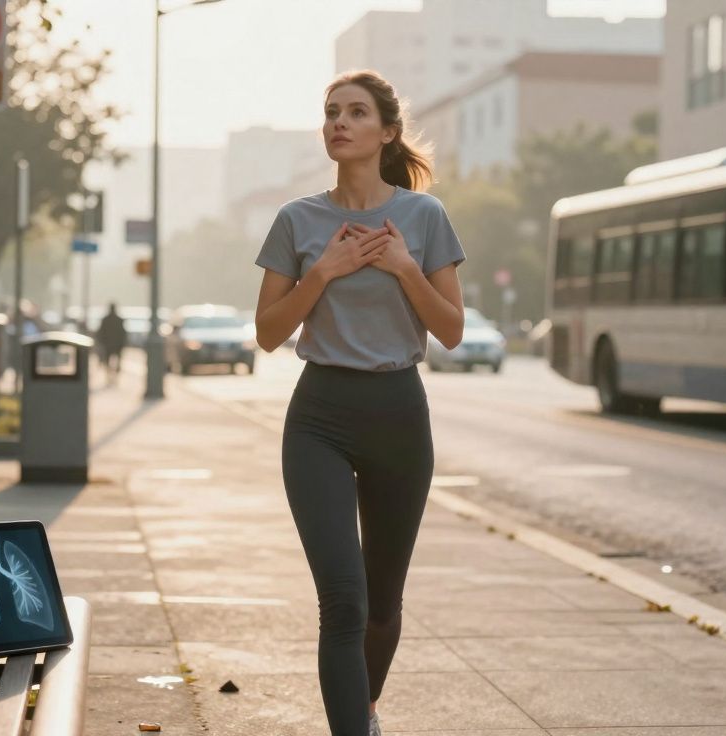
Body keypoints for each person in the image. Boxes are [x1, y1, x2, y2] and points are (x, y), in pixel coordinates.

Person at [252, 70, 466, 736]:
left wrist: (404, 266)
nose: (339, 123)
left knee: (381, 605)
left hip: (398, 414)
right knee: (343, 602)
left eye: (355, 112)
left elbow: (452, 329)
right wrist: (323, 272)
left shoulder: (424, 217)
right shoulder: (298, 220)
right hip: (319, 416)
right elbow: (267, 333)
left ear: (388, 131)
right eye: (331, 112)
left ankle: (364, 710)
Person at [94, 302, 127, 383]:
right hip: (117, 344)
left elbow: (100, 332)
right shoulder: (119, 320)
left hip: (108, 344)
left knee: (108, 359)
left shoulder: (105, 319)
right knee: (117, 360)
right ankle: (114, 375)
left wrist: (100, 342)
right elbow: (123, 333)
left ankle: (109, 375)